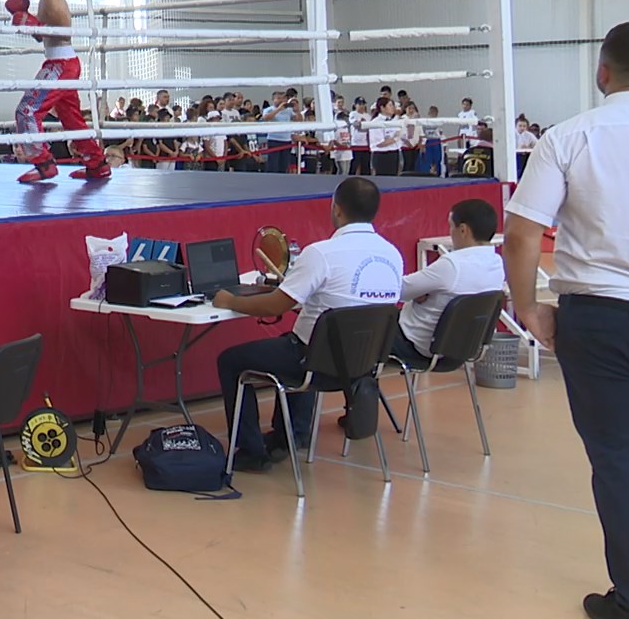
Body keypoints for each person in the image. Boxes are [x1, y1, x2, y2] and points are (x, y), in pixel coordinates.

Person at [502, 23, 629, 619]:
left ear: (602, 71)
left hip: (598, 323)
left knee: (618, 464)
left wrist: (527, 307)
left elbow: (522, 234)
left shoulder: (568, 137)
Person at [212, 177, 402, 470]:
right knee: (299, 341)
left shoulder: (321, 253)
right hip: (363, 363)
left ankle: (250, 451)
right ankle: (293, 433)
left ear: (337, 209)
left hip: (314, 361)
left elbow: (275, 305)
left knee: (232, 360)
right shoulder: (393, 255)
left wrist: (231, 301)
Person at [8, 0, 109, 182]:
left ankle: (43, 163)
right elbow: (43, 37)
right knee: (71, 118)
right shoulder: (45, 0)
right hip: (63, 62)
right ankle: (97, 164)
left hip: (61, 64)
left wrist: (31, 23)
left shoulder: (52, 1)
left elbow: (63, 34)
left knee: (27, 111)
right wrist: (27, 21)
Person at [395, 198, 505, 360]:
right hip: (465, 347)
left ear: (463, 230)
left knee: (371, 322)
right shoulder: (497, 263)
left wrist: (416, 294)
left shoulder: (452, 264)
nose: (450, 232)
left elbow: (400, 290)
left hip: (419, 345)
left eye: (451, 226)